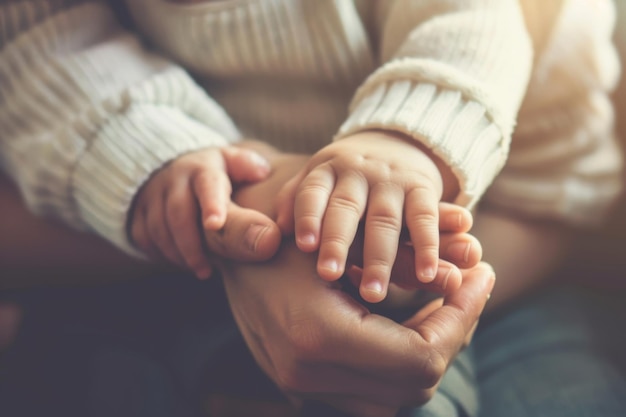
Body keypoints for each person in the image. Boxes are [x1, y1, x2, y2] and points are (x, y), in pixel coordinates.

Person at [0, 0, 622, 416]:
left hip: (488, 263)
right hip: (159, 267)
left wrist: (401, 138)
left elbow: (470, 19)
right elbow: (46, 45)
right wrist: (158, 159)